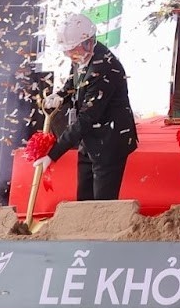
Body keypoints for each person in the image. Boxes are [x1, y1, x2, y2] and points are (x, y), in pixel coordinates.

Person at [32, 14, 138, 201]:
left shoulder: (103, 68)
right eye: (66, 50)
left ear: (88, 42)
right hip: (89, 140)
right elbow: (73, 82)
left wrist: (53, 154)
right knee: (84, 198)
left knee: (102, 203)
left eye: (72, 49)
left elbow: (87, 117)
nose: (68, 55)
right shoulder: (80, 56)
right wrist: (60, 95)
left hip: (109, 140)